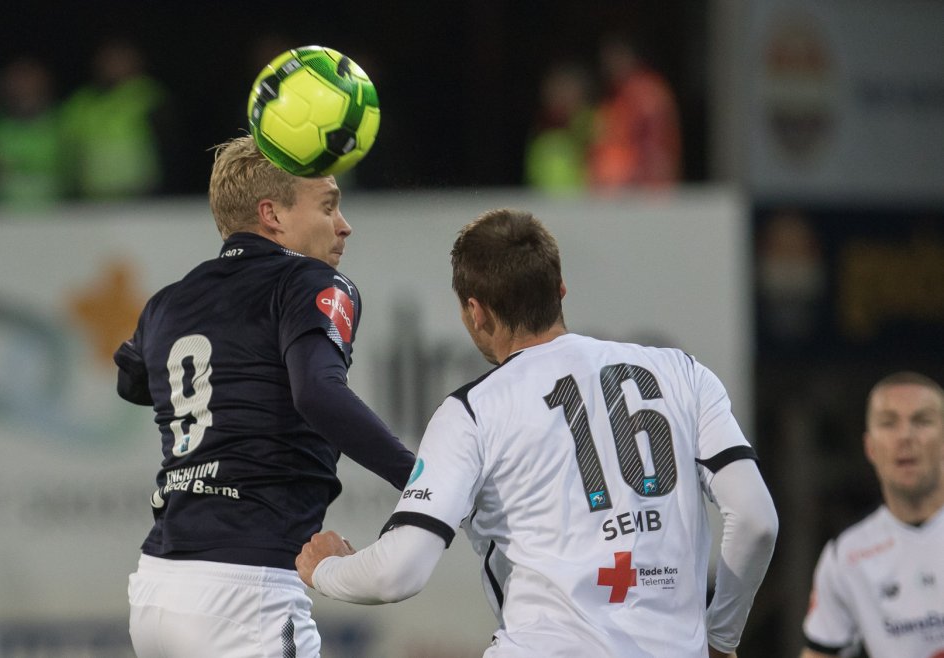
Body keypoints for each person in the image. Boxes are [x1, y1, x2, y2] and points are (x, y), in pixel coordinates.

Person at [296, 208, 778, 658]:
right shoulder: (683, 373)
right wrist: (721, 635)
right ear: (560, 289)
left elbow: (399, 571)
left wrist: (326, 569)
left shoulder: (472, 411)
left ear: (475, 311)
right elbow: (757, 520)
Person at [115, 135, 416, 658]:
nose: (344, 224)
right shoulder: (310, 280)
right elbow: (318, 393)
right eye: (328, 205)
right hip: (245, 589)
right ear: (272, 214)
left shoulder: (167, 301)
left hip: (156, 589)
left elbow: (131, 381)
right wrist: (424, 482)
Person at [800, 372, 944, 658]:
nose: (905, 436)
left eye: (922, 421)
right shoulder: (846, 555)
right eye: (889, 423)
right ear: (870, 447)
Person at [60, 38, 174, 199]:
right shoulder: (81, 102)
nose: (114, 65)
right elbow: (68, 150)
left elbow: (169, 148)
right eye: (109, 59)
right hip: (91, 197)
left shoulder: (149, 96)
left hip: (141, 195)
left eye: (121, 59)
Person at [589, 33, 682, 190]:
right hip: (616, 190)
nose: (608, 66)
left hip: (640, 189)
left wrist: (645, 181)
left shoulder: (646, 92)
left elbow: (654, 145)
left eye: (614, 57)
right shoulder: (615, 95)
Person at [0, 56, 66, 210]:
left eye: (28, 78)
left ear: (43, 81)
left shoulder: (61, 121)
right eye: (17, 79)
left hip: (56, 214)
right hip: (5, 213)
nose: (23, 85)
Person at [523, 62, 596, 195]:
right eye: (554, 90)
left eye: (566, 88)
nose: (559, 96)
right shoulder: (542, 138)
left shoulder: (599, 126)